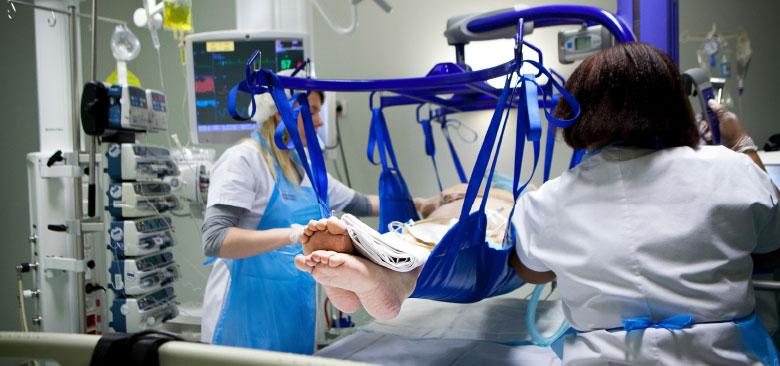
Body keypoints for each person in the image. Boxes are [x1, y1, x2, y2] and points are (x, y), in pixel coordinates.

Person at [295, 42, 780, 364]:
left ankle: (393, 270)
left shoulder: (549, 201)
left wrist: (515, 216)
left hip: (590, 341)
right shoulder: (730, 171)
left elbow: (525, 267)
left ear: (575, 112)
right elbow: (771, 235)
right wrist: (741, 144)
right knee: (454, 228)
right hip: (725, 355)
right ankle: (391, 265)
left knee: (477, 230)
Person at [199, 74, 379, 354]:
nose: (319, 122)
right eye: (314, 112)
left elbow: (360, 204)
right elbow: (216, 238)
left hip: (292, 308)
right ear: (283, 111)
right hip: (244, 313)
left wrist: (424, 203)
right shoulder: (245, 159)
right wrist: (293, 234)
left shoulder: (305, 168)